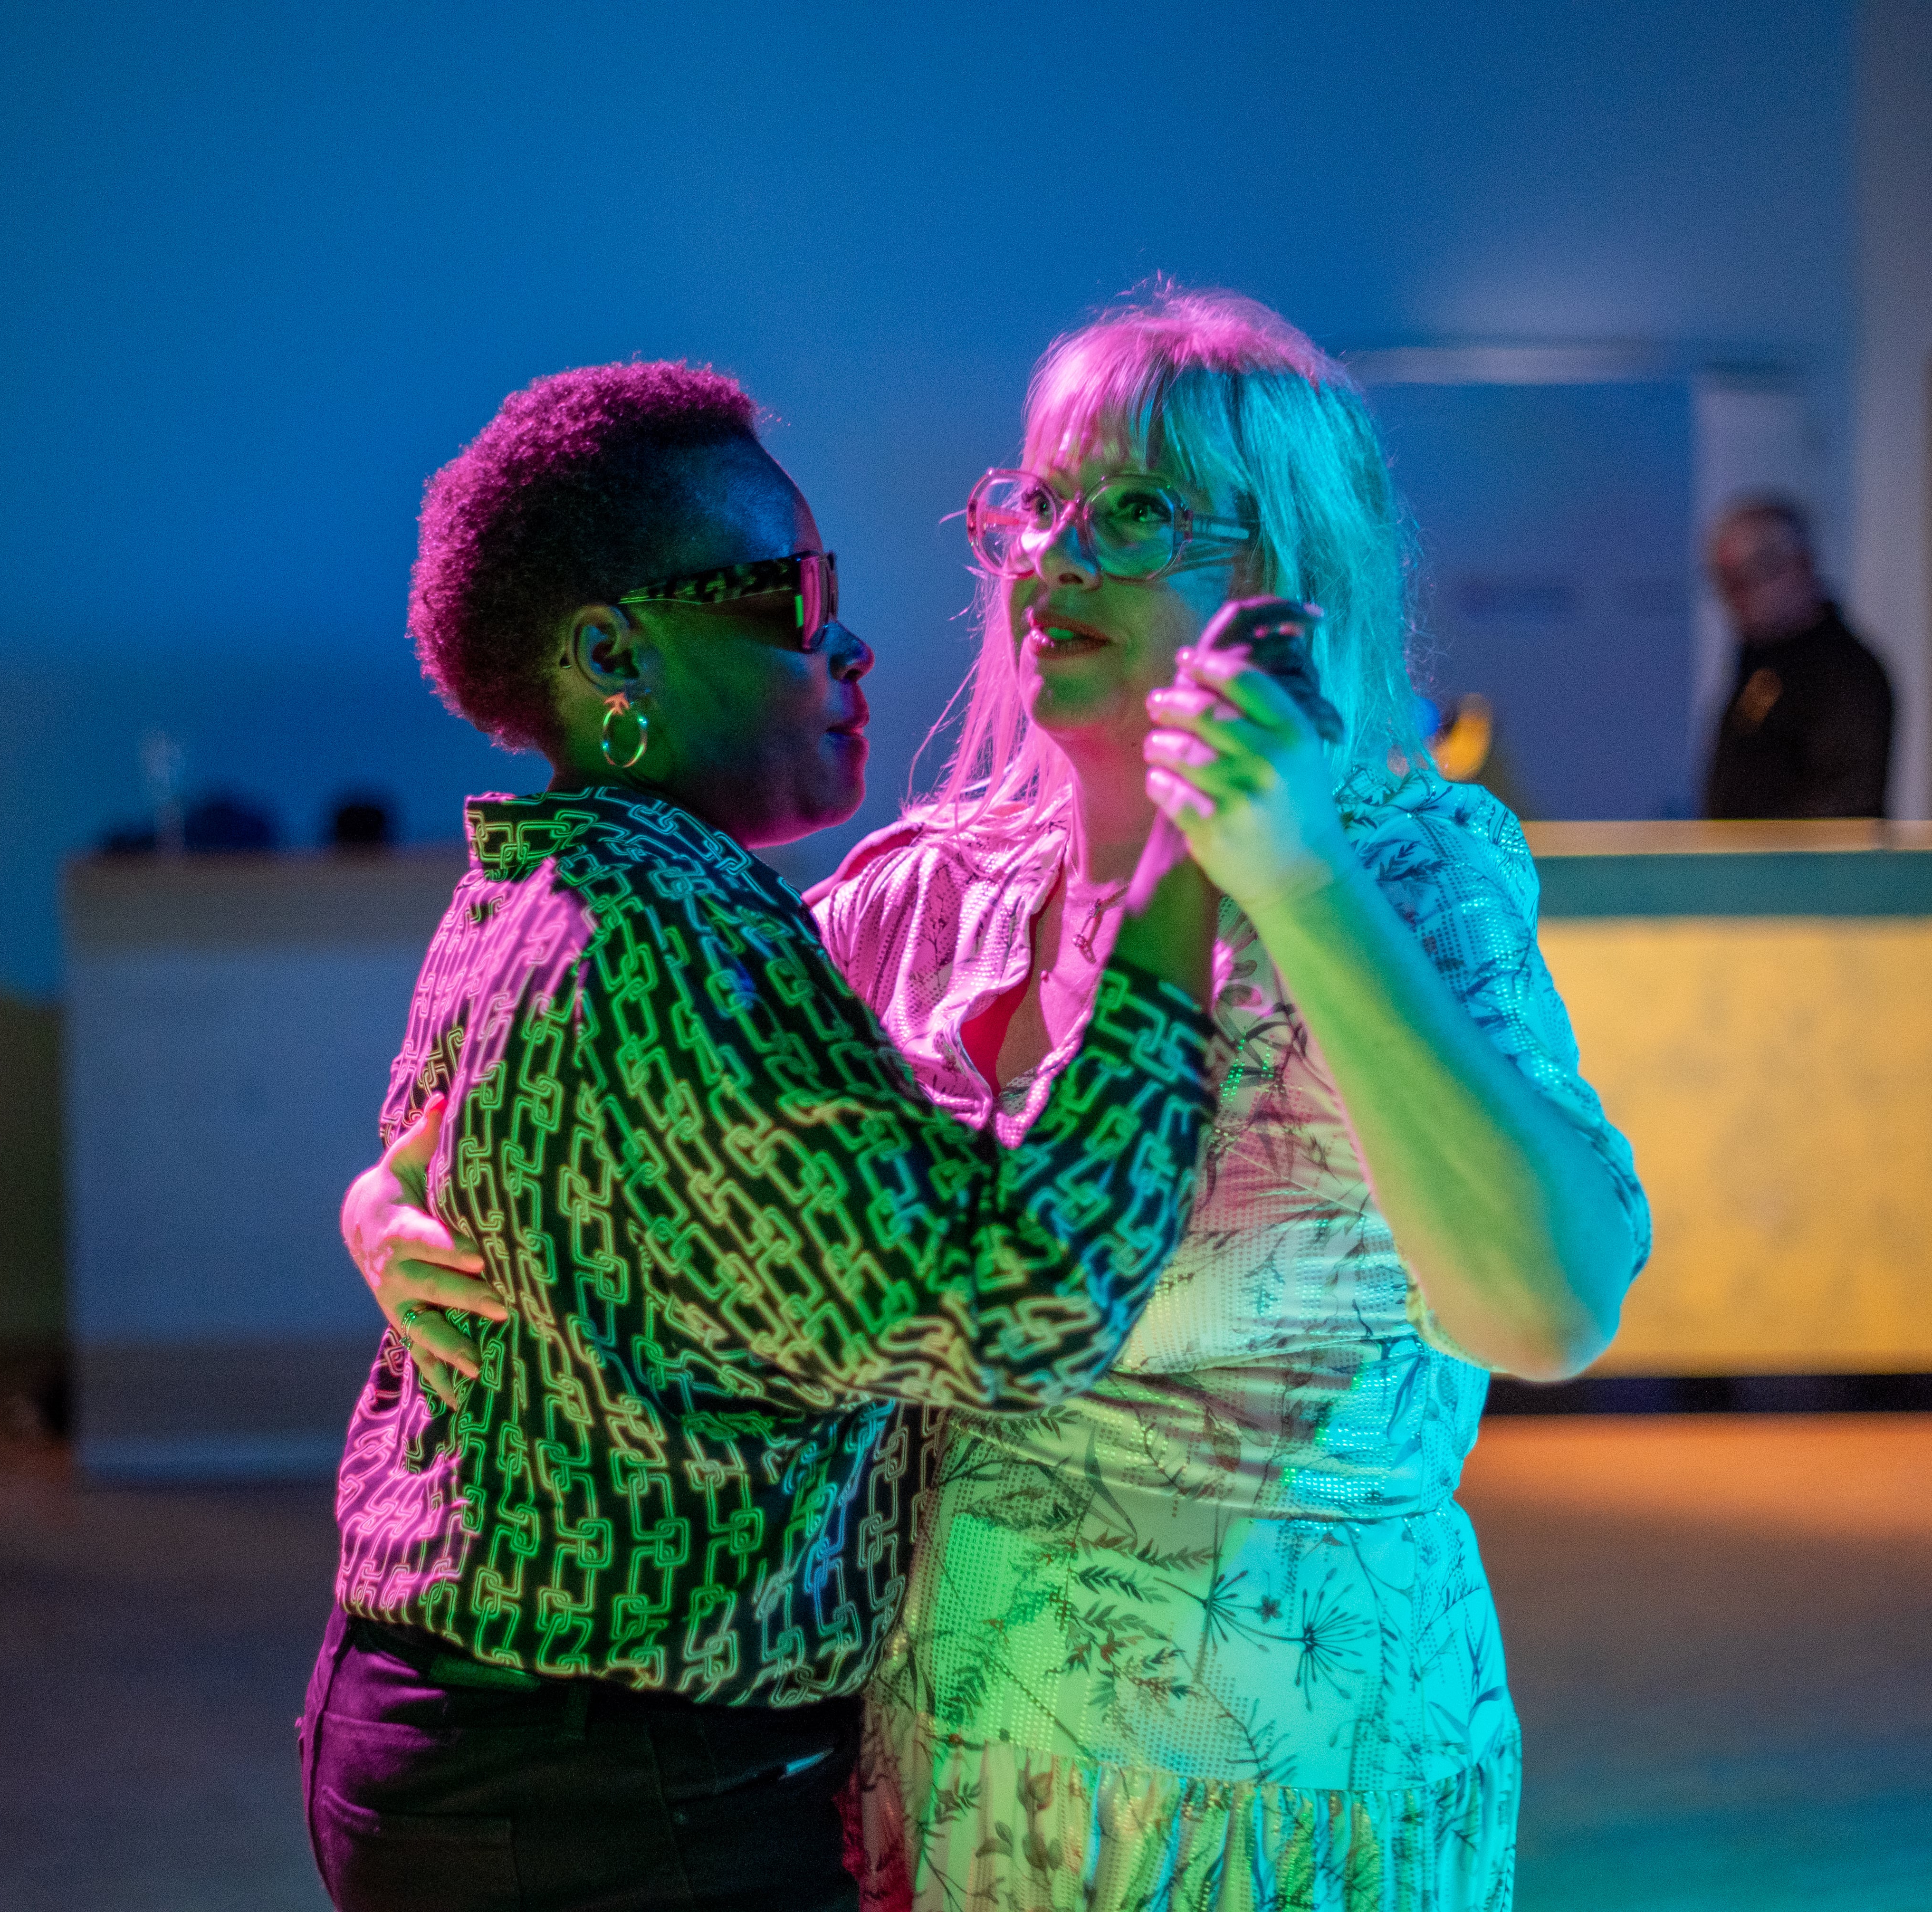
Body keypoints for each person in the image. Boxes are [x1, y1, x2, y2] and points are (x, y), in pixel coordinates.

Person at [362, 294, 1650, 1910]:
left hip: (1287, 1803)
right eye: (1035, 502)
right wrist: (389, 1205)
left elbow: (1549, 1304)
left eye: (1133, 514)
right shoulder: (922, 895)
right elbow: (651, 1113)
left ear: (1282, 580)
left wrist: (1293, 872)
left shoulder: (1410, 876)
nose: (1054, 554)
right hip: (956, 1779)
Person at [305, 361, 1224, 1912]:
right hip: (606, 1788)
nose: (849, 642)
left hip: (476, 1729)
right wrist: (1181, 895)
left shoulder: (544, 884)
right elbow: (1021, 1300)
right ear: (612, 652)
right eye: (795, 598)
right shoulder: (668, 936)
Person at [1701, 495, 1895, 818]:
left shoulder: (1845, 673)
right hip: (1739, 865)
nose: (1737, 598)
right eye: (1726, 581)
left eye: (1752, 575)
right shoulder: (1760, 656)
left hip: (1808, 868)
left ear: (1801, 564)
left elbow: (1844, 808)